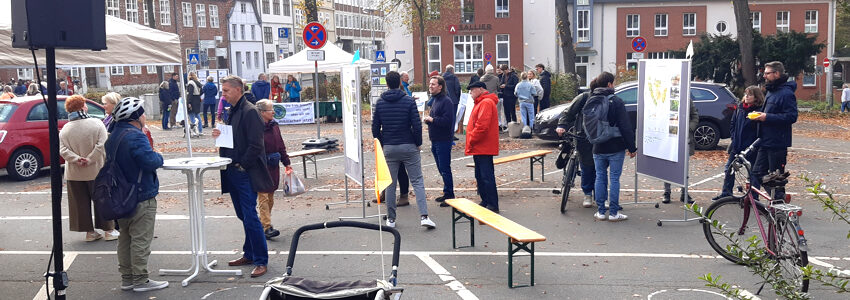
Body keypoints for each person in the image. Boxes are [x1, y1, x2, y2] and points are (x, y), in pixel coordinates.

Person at [211, 75, 273, 278]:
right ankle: (249, 253)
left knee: (249, 216)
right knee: (243, 215)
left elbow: (257, 145)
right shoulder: (233, 111)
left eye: (226, 91)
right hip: (231, 169)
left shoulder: (250, 111)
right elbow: (235, 138)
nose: (224, 94)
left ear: (239, 90)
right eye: (223, 91)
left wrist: (242, 165)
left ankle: (261, 260)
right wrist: (219, 135)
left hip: (243, 171)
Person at [106, 97, 168, 292]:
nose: (144, 116)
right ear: (135, 116)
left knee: (125, 237)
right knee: (140, 239)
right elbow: (150, 161)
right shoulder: (135, 136)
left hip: (120, 195)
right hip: (140, 194)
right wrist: (159, 155)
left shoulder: (114, 135)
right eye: (141, 112)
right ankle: (141, 279)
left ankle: (128, 278)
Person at [371, 71, 435, 229]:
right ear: (400, 83)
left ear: (386, 84)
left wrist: (383, 142)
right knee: (417, 181)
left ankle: (391, 219)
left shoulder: (380, 102)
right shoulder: (408, 101)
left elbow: (375, 128)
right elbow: (417, 124)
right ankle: (424, 216)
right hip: (408, 145)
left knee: (390, 184)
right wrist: (417, 142)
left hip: (390, 147)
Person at [59, 95, 117, 242]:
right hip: (96, 171)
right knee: (102, 200)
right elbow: (102, 145)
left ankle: (89, 233)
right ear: (82, 107)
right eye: (84, 105)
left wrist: (77, 159)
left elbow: (62, 150)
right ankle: (109, 230)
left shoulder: (65, 128)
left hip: (74, 173)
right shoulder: (97, 124)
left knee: (80, 204)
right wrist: (90, 159)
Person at [589, 72, 636, 222]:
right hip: (616, 146)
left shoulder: (591, 100)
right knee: (614, 178)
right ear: (609, 84)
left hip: (597, 145)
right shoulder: (617, 101)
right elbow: (625, 126)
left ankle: (601, 212)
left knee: (600, 177)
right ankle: (614, 213)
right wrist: (632, 147)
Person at [751, 61, 798, 201]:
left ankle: (779, 203)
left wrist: (767, 117)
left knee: (776, 177)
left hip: (777, 143)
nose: (764, 76)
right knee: (757, 172)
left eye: (767, 73)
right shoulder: (772, 91)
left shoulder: (786, 93)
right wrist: (759, 115)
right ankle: (778, 198)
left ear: (776, 74)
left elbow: (791, 116)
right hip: (765, 140)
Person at [713, 86, 764, 200]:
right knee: (729, 168)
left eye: (750, 95)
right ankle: (726, 193)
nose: (746, 97)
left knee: (752, 173)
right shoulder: (740, 108)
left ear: (756, 97)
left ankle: (753, 198)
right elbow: (733, 124)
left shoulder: (759, 111)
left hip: (751, 147)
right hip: (737, 145)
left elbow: (760, 131)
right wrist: (734, 137)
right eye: (745, 94)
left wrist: (754, 144)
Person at [557, 79, 599, 208]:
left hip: (599, 137)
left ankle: (599, 195)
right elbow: (568, 112)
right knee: (586, 166)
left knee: (599, 168)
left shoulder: (608, 99)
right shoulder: (584, 97)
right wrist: (562, 125)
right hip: (582, 136)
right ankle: (588, 194)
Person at [255, 100, 292, 239]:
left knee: (270, 196)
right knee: (263, 196)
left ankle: (262, 223)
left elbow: (280, 145)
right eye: (271, 110)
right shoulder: (256, 127)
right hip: (261, 166)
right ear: (262, 112)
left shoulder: (274, 126)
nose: (274, 112)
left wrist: (286, 162)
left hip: (273, 164)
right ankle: (266, 227)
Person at [465, 81, 500, 212]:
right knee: (481, 175)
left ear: (480, 89)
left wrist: (471, 139)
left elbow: (482, 126)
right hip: (481, 146)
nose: (470, 93)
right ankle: (486, 201)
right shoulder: (482, 102)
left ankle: (491, 203)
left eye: (472, 90)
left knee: (486, 176)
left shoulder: (485, 103)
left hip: (483, 146)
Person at [424, 76, 456, 208]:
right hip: (435, 139)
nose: (430, 86)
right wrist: (429, 120)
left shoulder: (446, 101)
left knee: (445, 168)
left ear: (440, 86)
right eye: (430, 84)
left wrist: (432, 120)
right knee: (441, 168)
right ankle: (446, 191)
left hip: (443, 140)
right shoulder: (436, 100)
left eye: (433, 84)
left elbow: (447, 122)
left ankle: (450, 195)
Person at [662, 97, 699, 204]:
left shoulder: (687, 99)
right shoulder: (666, 100)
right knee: (668, 167)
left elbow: (695, 116)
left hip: (684, 139)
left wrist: (688, 128)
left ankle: (684, 193)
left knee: (684, 168)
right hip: (669, 138)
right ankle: (667, 192)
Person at [479, 65, 503, 130]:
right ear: (492, 71)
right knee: (495, 112)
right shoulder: (496, 78)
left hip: (485, 97)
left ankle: (487, 126)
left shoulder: (481, 78)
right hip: (493, 97)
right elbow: (498, 87)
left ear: (486, 71)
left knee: (486, 112)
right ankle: (496, 126)